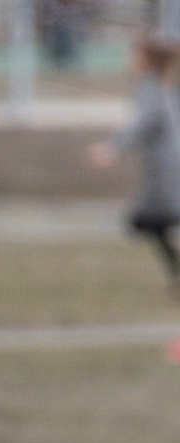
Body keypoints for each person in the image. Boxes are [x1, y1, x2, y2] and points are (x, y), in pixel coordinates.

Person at [89, 36, 180, 299]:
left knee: (147, 220)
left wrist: (111, 148)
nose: (128, 60)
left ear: (145, 60)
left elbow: (145, 123)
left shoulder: (151, 87)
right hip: (166, 165)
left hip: (166, 167)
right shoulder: (162, 86)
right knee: (152, 221)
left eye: (133, 55)